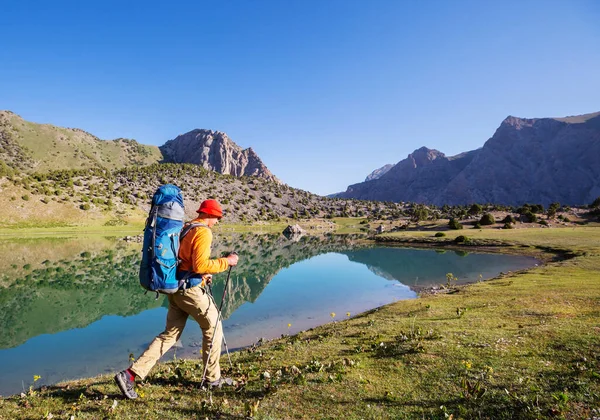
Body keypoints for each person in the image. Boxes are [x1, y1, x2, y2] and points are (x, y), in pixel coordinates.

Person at [115, 199, 239, 399]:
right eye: (217, 218)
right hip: (190, 291)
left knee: (170, 335)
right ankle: (212, 380)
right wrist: (227, 261)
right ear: (211, 215)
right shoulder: (203, 232)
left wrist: (202, 275)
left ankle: (130, 375)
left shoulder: (187, 227)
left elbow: (185, 262)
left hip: (176, 288)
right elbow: (200, 265)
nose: (217, 221)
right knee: (213, 328)